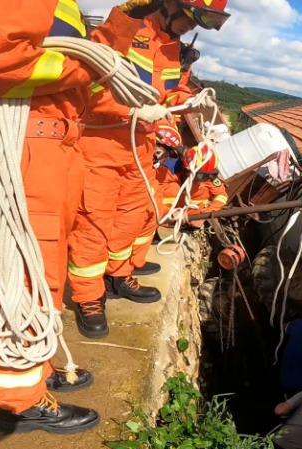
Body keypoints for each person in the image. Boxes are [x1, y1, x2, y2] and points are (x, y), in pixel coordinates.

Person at [0, 0, 161, 434]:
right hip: (17, 148)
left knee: (41, 271)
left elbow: (77, 66)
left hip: (47, 148)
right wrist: (92, 68)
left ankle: (36, 367)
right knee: (9, 275)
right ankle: (19, 404)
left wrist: (120, 28)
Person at [68, 0, 230, 340]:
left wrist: (186, 88)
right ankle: (89, 297)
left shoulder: (173, 48)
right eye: (190, 17)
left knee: (136, 212)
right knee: (94, 222)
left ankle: (120, 273)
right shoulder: (126, 29)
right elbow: (91, 80)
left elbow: (167, 95)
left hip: (142, 145)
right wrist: (129, 111)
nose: (191, 27)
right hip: (103, 139)